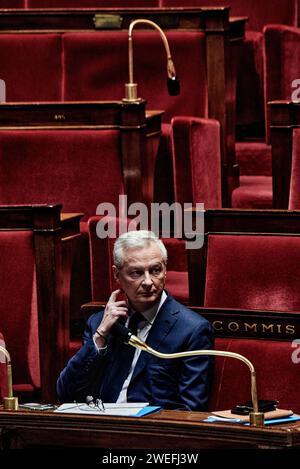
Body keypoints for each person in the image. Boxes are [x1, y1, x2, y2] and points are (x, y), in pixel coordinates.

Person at [57, 230, 214, 410]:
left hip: (151, 432)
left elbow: (191, 410)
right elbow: (66, 393)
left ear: (165, 269)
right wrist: (99, 337)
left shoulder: (192, 330)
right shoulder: (100, 323)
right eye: (136, 273)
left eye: (155, 270)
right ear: (117, 275)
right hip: (101, 426)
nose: (148, 282)